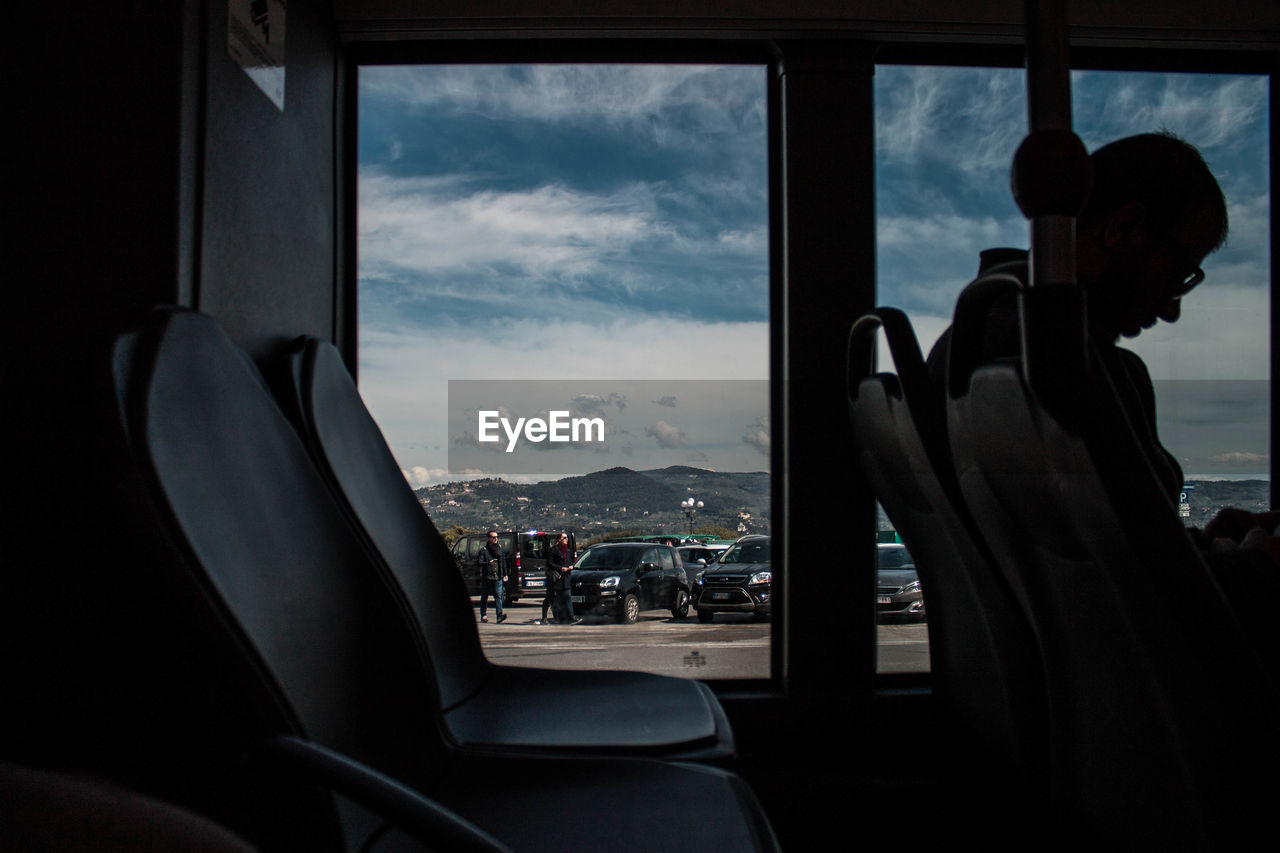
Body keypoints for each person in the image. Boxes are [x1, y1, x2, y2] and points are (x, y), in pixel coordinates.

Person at [928, 131, 1280, 669]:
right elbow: (1171, 610)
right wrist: (1257, 565)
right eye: (1180, 274)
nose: (1171, 310)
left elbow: (1096, 559)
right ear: (1126, 229)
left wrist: (1201, 545)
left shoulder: (965, 350)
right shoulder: (1076, 378)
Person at [543, 532, 581, 625]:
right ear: (559, 539)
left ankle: (571, 617)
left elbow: (570, 562)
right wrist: (560, 568)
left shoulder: (567, 551)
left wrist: (571, 567)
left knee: (567, 597)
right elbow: (549, 563)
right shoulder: (553, 550)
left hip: (565, 578)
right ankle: (544, 617)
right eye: (564, 538)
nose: (566, 540)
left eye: (566, 538)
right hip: (556, 578)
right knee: (550, 598)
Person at [477, 530, 508, 624]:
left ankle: (499, 616)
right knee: (485, 596)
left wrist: (505, 574)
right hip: (487, 577)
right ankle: (483, 615)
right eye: (493, 537)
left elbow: (503, 563)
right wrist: (488, 563)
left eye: (497, 537)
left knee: (498, 596)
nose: (496, 539)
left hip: (497, 576)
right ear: (489, 538)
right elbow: (479, 562)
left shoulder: (500, 549)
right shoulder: (484, 550)